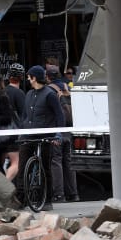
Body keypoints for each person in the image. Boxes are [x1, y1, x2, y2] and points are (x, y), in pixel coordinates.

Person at [16, 65, 65, 211]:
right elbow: (25, 115)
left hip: (45, 136)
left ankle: (47, 199)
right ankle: (21, 198)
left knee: (45, 166)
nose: (28, 79)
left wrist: (58, 135)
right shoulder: (29, 94)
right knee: (22, 166)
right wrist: (22, 131)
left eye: (29, 77)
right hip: (28, 135)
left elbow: (59, 115)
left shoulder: (49, 94)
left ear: (34, 78)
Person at [45, 67, 79, 203]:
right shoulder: (67, 87)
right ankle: (73, 194)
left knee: (56, 161)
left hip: (57, 129)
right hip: (69, 129)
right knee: (69, 161)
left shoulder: (49, 90)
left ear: (47, 77)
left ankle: (59, 194)